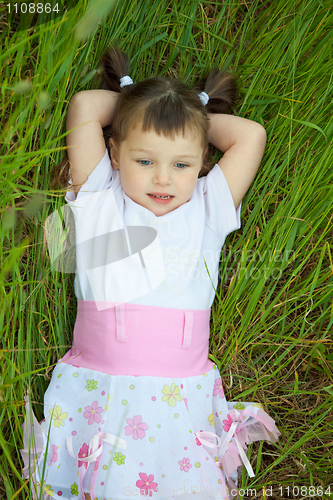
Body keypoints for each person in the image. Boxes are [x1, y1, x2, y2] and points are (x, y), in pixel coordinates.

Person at [20, 45, 280, 500]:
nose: (163, 179)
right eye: (145, 161)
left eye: (181, 165)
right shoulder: (100, 196)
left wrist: (187, 112)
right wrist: (139, 106)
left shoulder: (208, 206)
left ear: (201, 163)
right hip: (99, 387)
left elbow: (251, 135)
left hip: (179, 399)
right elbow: (84, 105)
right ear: (115, 155)